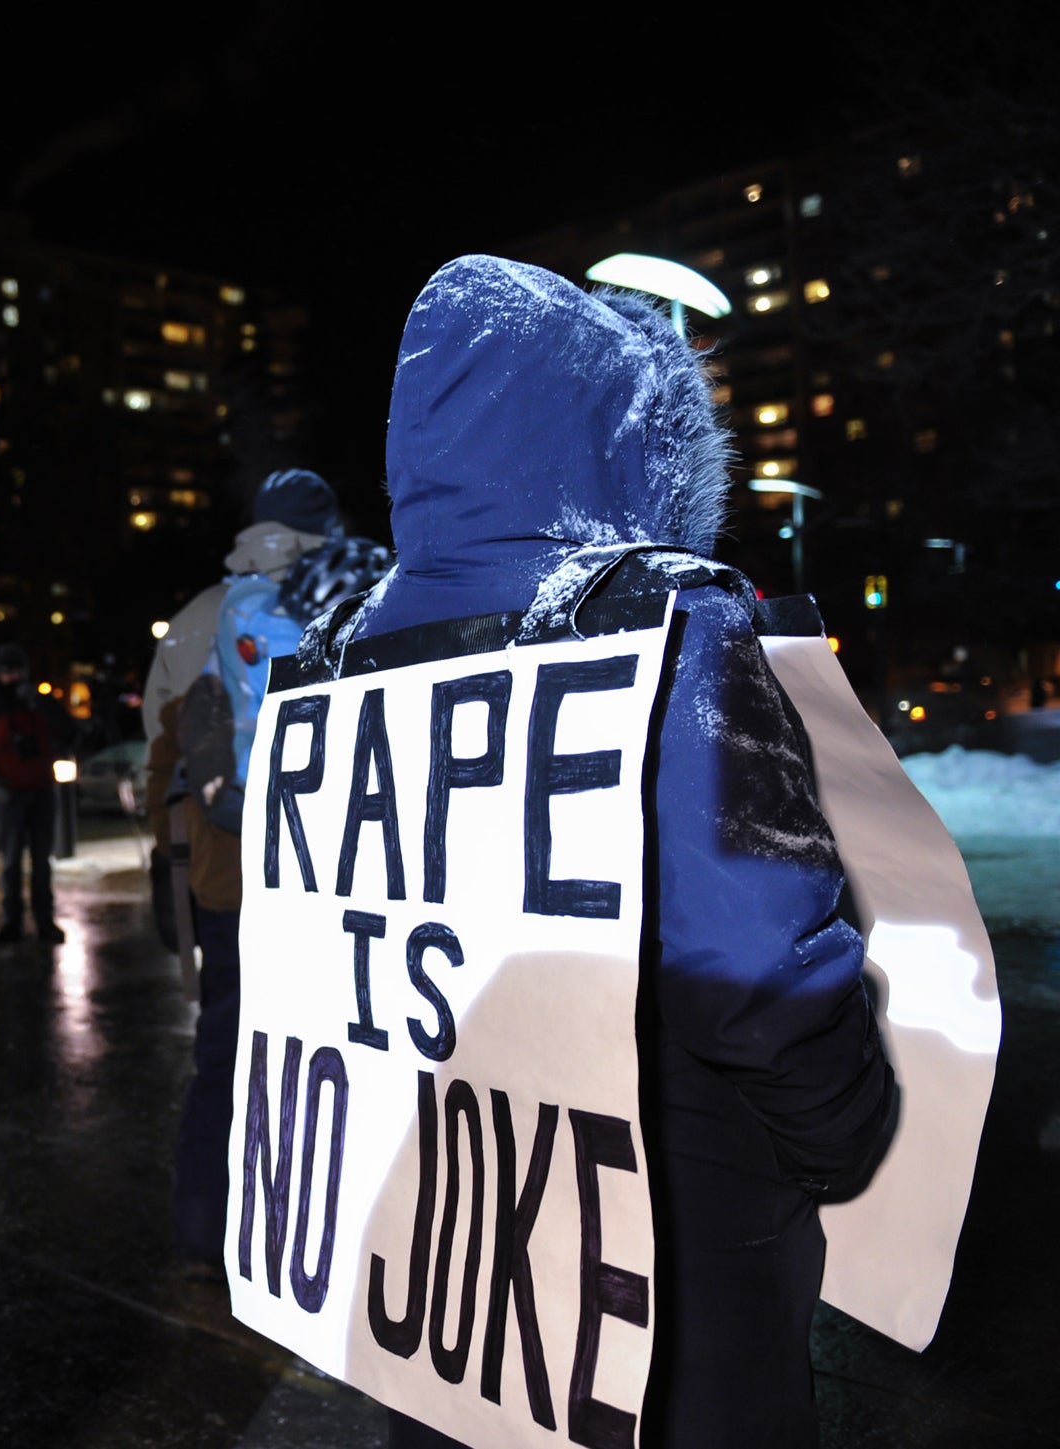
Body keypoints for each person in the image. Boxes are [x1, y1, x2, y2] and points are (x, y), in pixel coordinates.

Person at [329, 257, 897, 1448]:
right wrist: (847, 1129)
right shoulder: (662, 620)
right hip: (666, 1235)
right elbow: (756, 959)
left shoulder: (345, 645)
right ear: (624, 429)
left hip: (446, 1239)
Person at [142, 468, 374, 1266]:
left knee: (225, 1045)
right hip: (337, 869)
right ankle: (318, 1238)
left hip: (231, 873)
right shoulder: (361, 590)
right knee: (334, 1058)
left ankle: (206, 1224)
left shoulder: (200, 616)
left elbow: (159, 748)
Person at [0, 640, 69, 945]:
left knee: (42, 861)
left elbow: (64, 729)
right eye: (8, 671)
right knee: (10, 862)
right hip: (9, 794)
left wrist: (41, 703)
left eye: (18, 670)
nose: (14, 677)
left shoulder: (39, 701)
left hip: (41, 790)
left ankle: (44, 920)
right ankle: (12, 922)